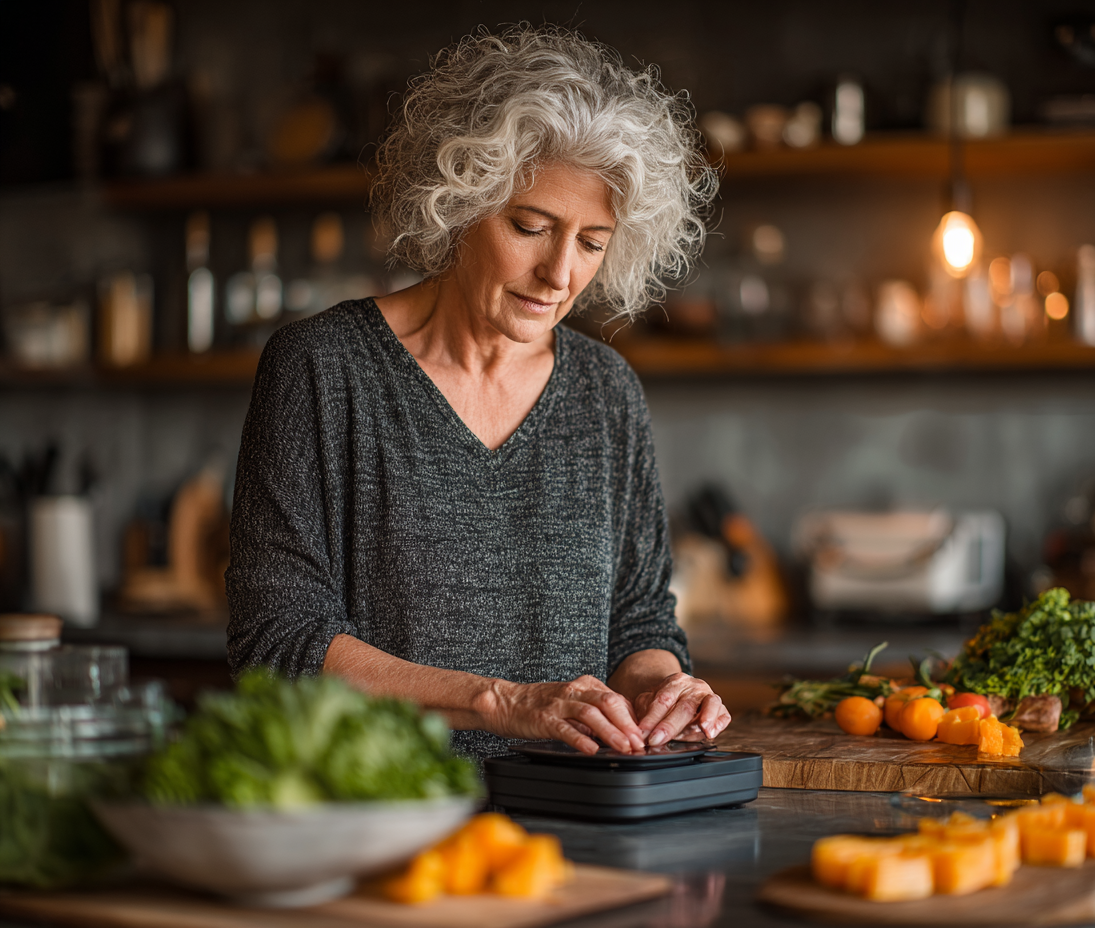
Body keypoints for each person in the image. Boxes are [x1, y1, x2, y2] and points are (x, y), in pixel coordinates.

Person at [226, 24, 729, 761]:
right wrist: (504, 703)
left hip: (571, 835)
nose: (560, 273)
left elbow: (639, 621)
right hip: (381, 818)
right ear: (459, 199)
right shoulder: (324, 371)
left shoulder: (605, 391)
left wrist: (663, 685)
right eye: (531, 226)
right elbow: (277, 645)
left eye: (592, 241)